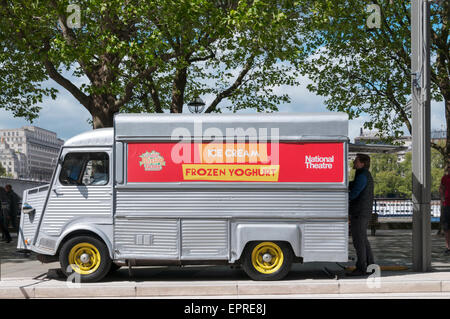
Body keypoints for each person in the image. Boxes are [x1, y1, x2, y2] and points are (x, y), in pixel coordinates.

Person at [347, 153, 375, 276]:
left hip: (359, 212)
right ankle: (370, 266)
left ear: (362, 163)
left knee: (359, 241)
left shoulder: (362, 176)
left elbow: (354, 194)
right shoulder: (364, 175)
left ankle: (361, 268)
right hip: (363, 211)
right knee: (363, 240)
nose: (354, 162)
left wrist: (341, 198)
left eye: (356, 161)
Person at [440, 164, 450, 254]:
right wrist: (442, 198)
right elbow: (441, 188)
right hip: (447, 205)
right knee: (446, 228)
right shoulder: (444, 178)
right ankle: (448, 247)